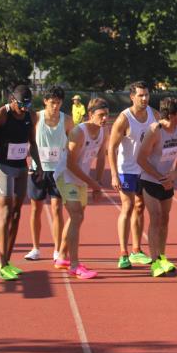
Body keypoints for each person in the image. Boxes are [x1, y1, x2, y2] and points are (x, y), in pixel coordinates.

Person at [0, 85, 44, 281]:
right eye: (21, 105)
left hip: (21, 167)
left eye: (28, 105)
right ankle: (2, 264)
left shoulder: (31, 116)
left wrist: (38, 165)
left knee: (16, 213)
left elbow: (33, 142)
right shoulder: (1, 115)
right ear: (12, 100)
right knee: (5, 212)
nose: (24, 108)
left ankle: (8, 261)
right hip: (3, 167)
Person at [54, 98, 108, 279]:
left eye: (107, 115)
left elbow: (101, 157)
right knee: (77, 215)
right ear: (90, 115)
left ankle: (62, 257)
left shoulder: (103, 131)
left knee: (76, 217)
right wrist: (93, 184)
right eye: (101, 115)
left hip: (81, 178)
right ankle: (74, 265)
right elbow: (70, 164)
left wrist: (97, 183)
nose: (105, 118)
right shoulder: (79, 132)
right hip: (66, 176)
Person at [137, 96, 177, 277]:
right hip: (151, 179)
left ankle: (162, 256)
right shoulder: (155, 131)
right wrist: (160, 177)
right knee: (156, 216)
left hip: (168, 179)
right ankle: (154, 262)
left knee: (165, 219)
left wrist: (174, 173)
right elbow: (140, 159)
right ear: (171, 115)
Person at [106, 81, 155, 269]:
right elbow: (111, 148)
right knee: (127, 207)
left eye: (147, 95)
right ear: (132, 97)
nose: (144, 98)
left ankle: (136, 250)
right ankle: (123, 253)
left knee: (140, 207)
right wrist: (113, 175)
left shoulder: (153, 114)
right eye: (141, 95)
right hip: (126, 169)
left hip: (145, 169)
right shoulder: (124, 119)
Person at [26, 86, 73, 263]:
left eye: (58, 103)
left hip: (58, 170)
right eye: (52, 102)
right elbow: (28, 140)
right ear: (45, 101)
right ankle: (35, 248)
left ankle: (57, 249)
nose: (55, 106)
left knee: (57, 209)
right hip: (38, 169)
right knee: (35, 208)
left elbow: (73, 143)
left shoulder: (66, 120)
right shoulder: (36, 118)